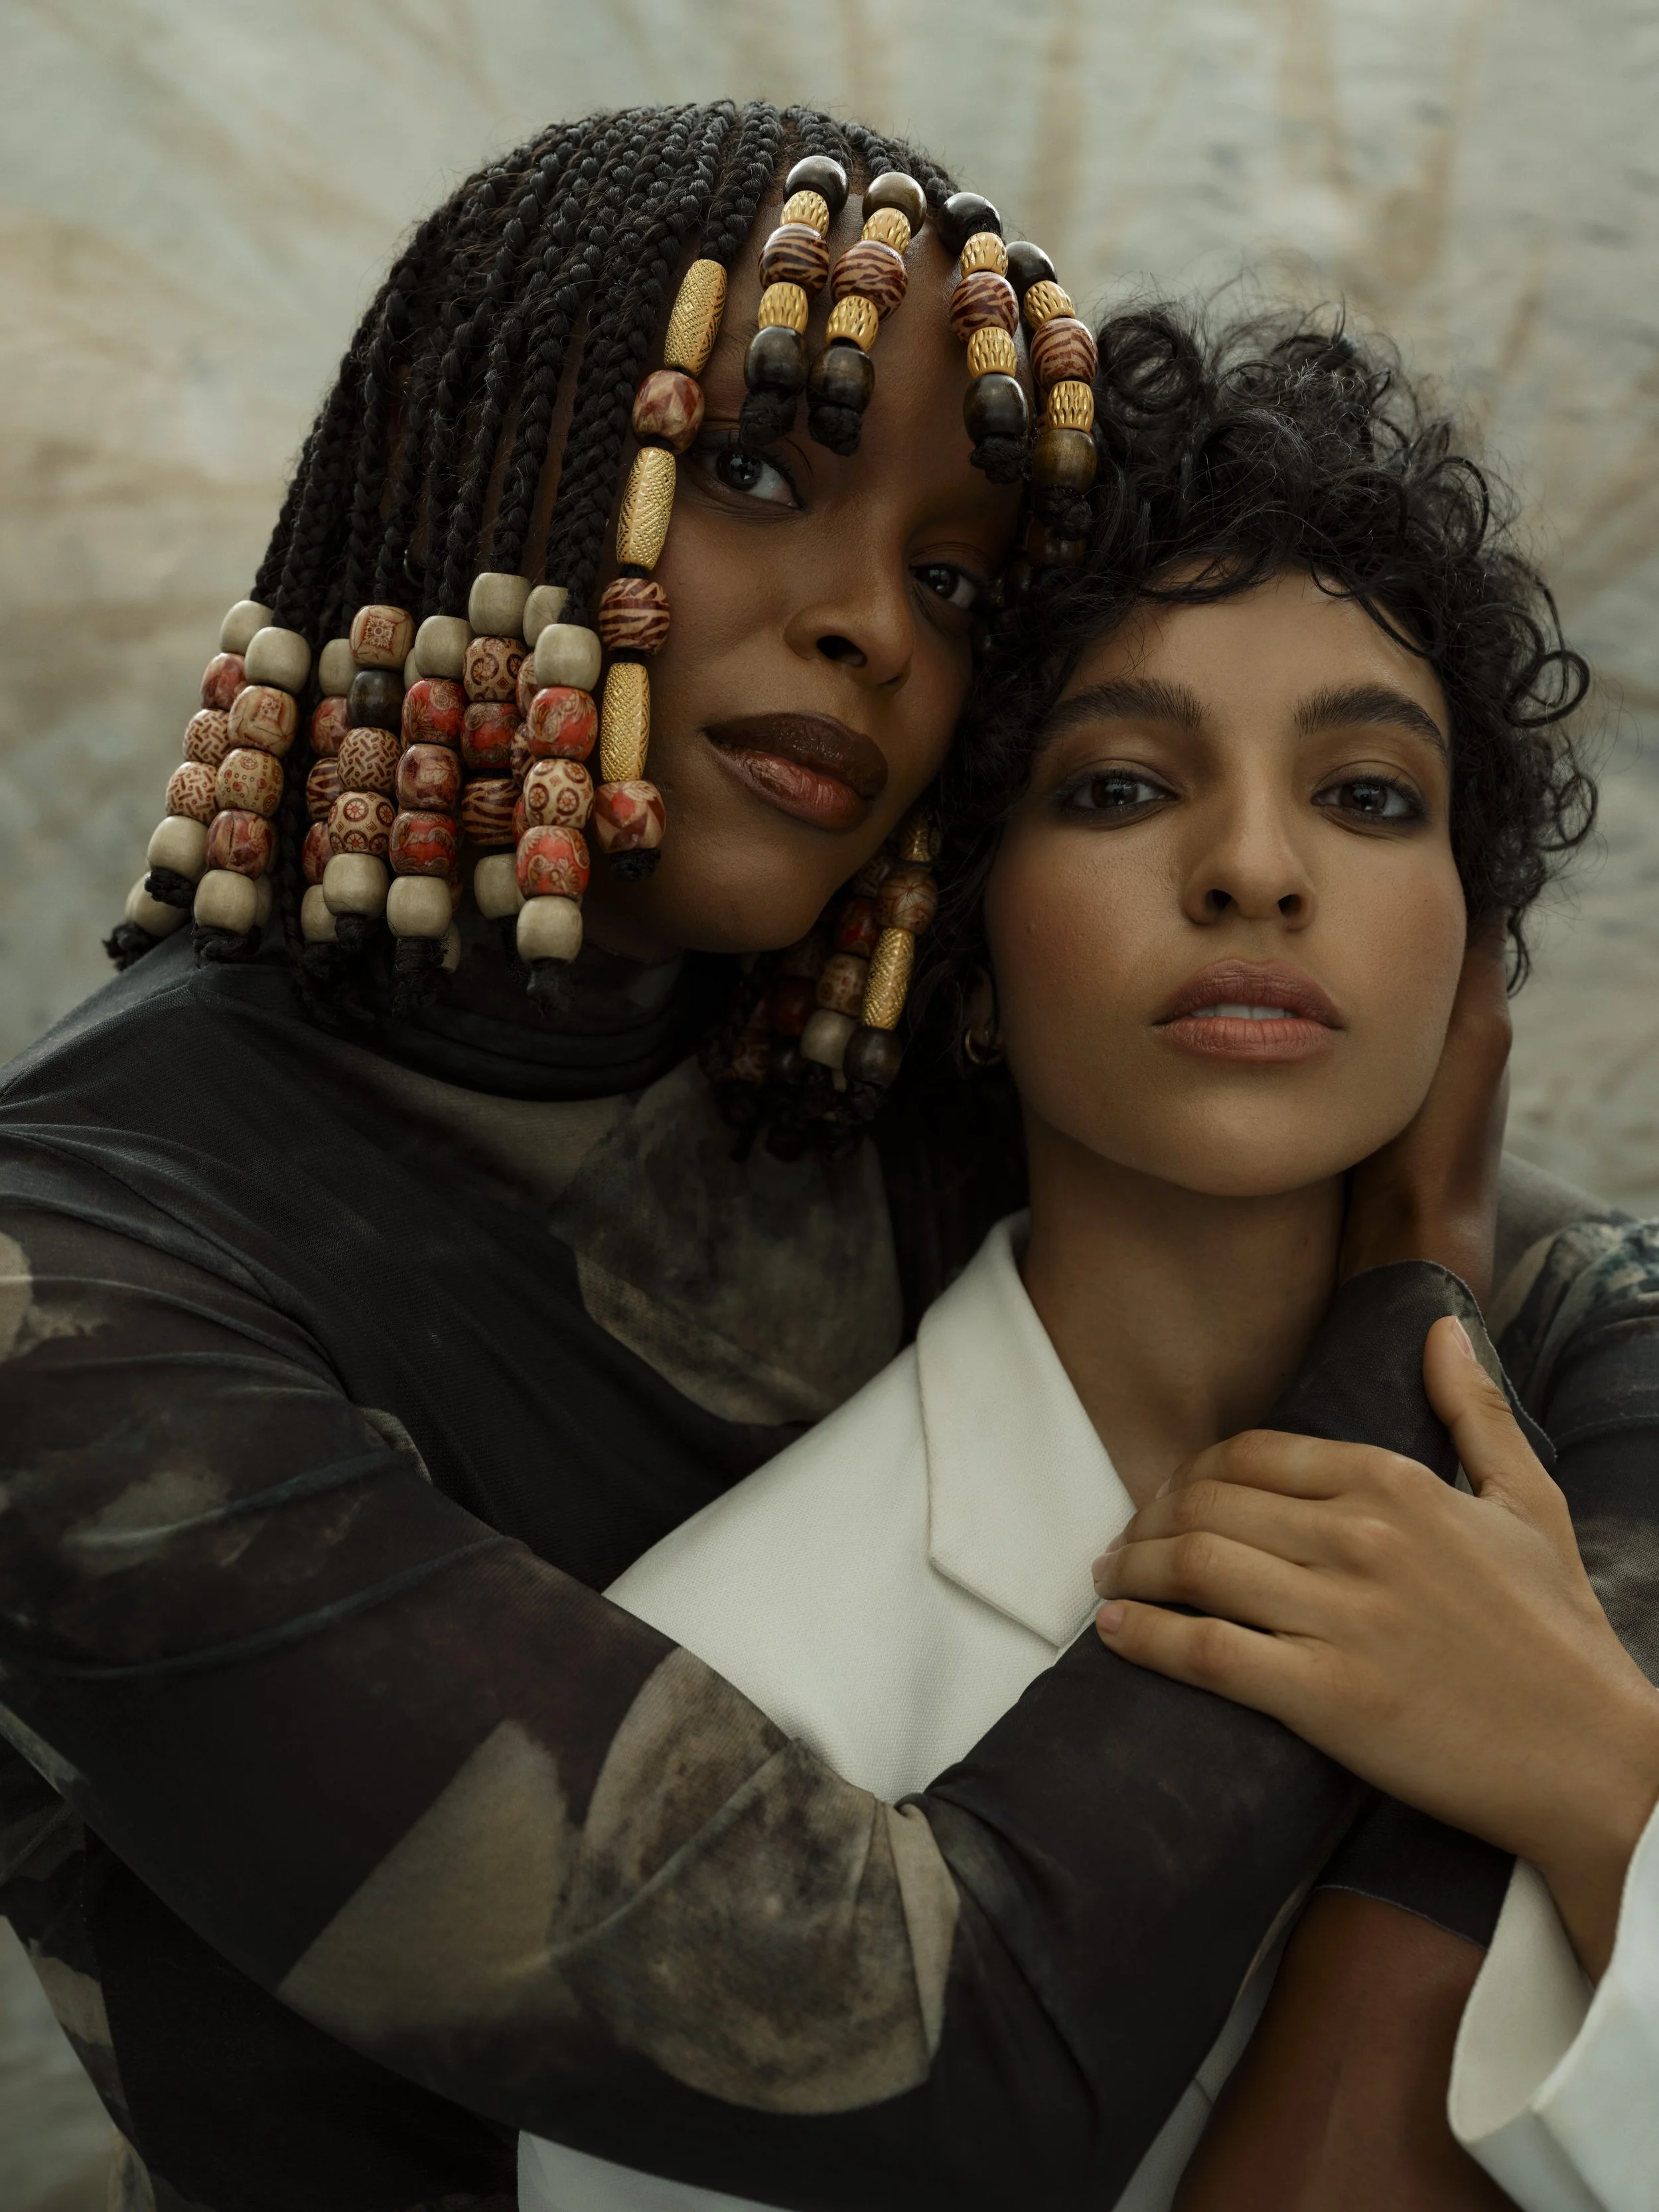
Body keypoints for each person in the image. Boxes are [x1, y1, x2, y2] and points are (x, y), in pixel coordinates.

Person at [0, 113, 1601, 2210]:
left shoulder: (861, 1054)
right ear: (475, 471)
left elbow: (1608, 1301)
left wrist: (1540, 1804)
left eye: (952, 573)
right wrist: (1398, 1331)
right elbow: (900, 2034)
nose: (876, 626)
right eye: (756, 467)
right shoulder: (76, 1292)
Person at [583, 307, 1659, 2212]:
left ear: (1466, 948)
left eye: (1366, 794)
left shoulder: (1619, 1441)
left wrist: (1604, 1783)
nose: (1254, 867)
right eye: (1118, 785)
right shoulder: (739, 1693)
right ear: (964, 945)